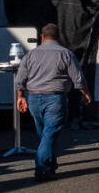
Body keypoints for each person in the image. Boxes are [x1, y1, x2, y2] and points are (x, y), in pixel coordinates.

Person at [14, 23, 90, 182]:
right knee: (49, 134)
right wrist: (85, 93)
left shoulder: (30, 55)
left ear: (42, 37)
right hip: (55, 98)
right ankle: (41, 169)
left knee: (45, 134)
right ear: (58, 37)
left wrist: (20, 97)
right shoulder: (66, 54)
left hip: (34, 98)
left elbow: (20, 79)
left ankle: (50, 166)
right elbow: (78, 78)